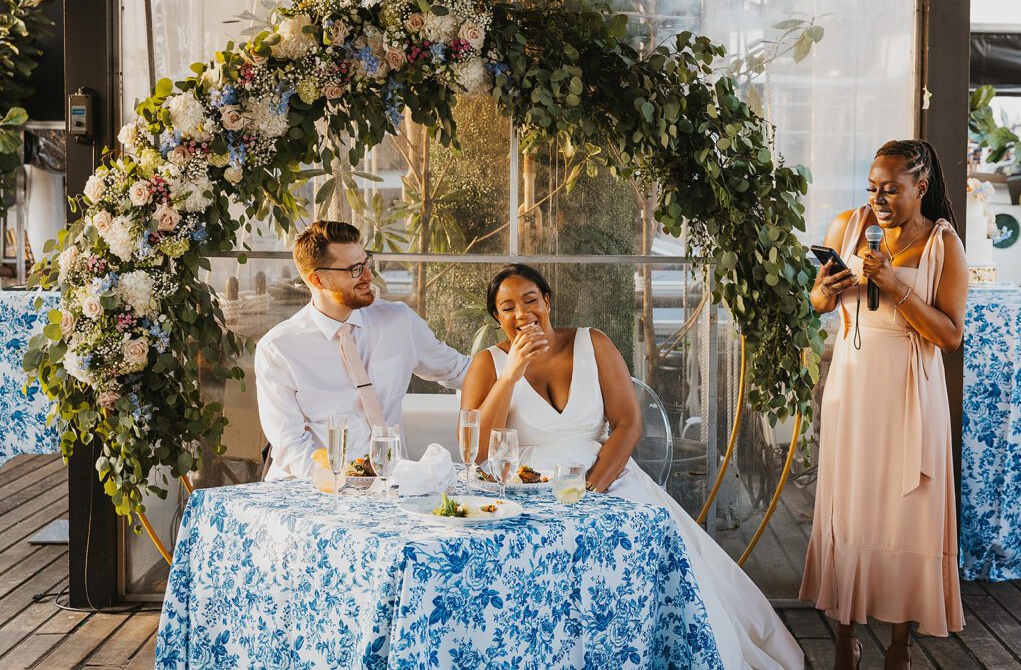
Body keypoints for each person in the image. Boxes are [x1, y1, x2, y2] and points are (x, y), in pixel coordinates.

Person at [461, 263, 804, 670]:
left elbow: (629, 424)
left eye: (530, 299)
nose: (522, 313)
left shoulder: (593, 343)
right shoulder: (488, 364)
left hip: (607, 479)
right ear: (497, 318)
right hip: (527, 491)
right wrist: (511, 376)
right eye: (507, 307)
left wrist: (588, 492)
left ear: (547, 300)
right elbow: (476, 451)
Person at [800, 139, 968, 670]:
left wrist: (896, 286)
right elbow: (819, 302)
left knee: (905, 515)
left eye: (892, 190)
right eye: (873, 188)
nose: (879, 199)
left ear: (920, 188)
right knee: (852, 508)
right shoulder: (846, 227)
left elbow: (950, 335)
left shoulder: (944, 245)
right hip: (853, 385)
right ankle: (846, 636)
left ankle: (900, 643)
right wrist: (826, 289)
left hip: (909, 392)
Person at [255, 220, 470, 488]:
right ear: (317, 279)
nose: (368, 276)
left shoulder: (398, 321)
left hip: (390, 485)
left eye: (366, 263)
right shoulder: (278, 348)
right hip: (311, 489)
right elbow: (291, 448)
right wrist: (345, 485)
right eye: (354, 270)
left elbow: (460, 371)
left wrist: (524, 375)